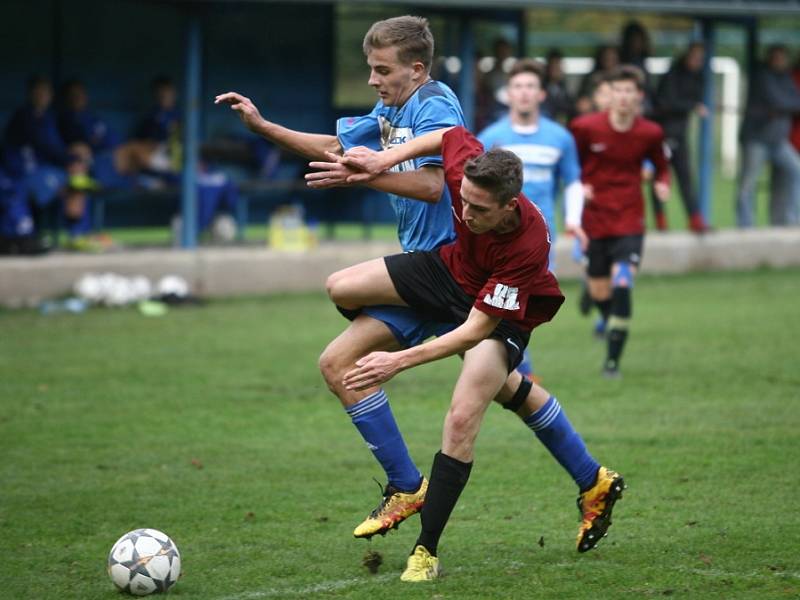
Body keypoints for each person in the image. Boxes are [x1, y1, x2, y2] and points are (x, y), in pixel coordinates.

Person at [325, 125, 624, 581]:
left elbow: (473, 332)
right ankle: (593, 479)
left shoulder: (527, 244)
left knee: (463, 418)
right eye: (462, 199)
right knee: (340, 286)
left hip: (498, 317)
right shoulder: (470, 173)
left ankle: (426, 551)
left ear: (508, 206)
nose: (465, 211)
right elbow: (449, 133)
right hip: (450, 274)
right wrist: (382, 162)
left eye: (478, 209)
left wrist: (397, 360)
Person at [216, 15, 465, 539]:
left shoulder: (434, 103)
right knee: (336, 364)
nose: (373, 81)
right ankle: (405, 485)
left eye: (381, 70)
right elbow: (335, 146)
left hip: (448, 267)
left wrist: (368, 173)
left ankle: (591, 475)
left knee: (343, 286)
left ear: (416, 70)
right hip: (417, 271)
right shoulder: (391, 109)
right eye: (370, 69)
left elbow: (430, 188)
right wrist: (265, 127)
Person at [477, 58, 586, 376]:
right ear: (507, 93)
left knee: (521, 304)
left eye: (530, 87)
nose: (524, 93)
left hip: (540, 239)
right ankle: (519, 370)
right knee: (506, 303)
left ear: (541, 94)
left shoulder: (560, 138)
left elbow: (573, 181)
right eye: (518, 87)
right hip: (497, 238)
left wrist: (574, 221)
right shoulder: (490, 137)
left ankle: (515, 368)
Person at [570, 65, 670, 378]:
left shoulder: (650, 132)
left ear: (639, 96)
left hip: (629, 219)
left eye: (630, 91)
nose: (624, 97)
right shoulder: (585, 127)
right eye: (618, 91)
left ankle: (612, 362)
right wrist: (579, 184)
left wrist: (661, 183)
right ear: (608, 95)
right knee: (603, 294)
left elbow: (662, 165)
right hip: (595, 220)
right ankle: (596, 295)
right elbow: (574, 164)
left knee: (623, 282)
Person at [736, 45, 800, 227]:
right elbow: (777, 100)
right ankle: (745, 225)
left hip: (778, 141)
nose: (780, 61)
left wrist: (784, 108)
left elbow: (795, 100)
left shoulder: (786, 77)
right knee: (748, 184)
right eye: (776, 57)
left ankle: (793, 220)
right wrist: (786, 107)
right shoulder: (762, 76)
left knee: (797, 171)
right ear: (770, 58)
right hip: (756, 139)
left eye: (782, 57)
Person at [652, 42, 710, 233]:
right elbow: (665, 103)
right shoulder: (673, 75)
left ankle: (695, 219)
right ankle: (661, 221)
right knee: (661, 178)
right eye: (694, 57)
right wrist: (692, 106)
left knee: (685, 177)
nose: (697, 62)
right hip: (663, 134)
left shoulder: (698, 77)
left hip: (680, 134)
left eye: (700, 59)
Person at [541, 49, 574, 124]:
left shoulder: (566, 89)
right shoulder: (540, 89)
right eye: (553, 66)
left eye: (558, 65)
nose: (556, 69)